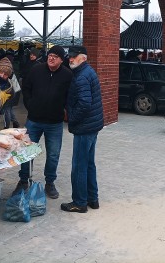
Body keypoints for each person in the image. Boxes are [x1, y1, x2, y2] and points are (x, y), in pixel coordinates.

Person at [14, 45, 73, 199]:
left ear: (61, 60)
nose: (51, 58)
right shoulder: (36, 70)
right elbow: (26, 88)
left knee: (53, 154)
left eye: (55, 56)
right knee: (26, 151)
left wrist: (65, 110)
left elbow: (70, 96)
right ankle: (23, 180)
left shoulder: (67, 75)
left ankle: (50, 183)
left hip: (54, 123)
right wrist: (30, 104)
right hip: (34, 120)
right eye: (50, 55)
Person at [61, 46, 104, 213]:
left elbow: (85, 103)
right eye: (69, 56)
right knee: (89, 164)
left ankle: (79, 202)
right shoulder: (87, 72)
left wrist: (72, 118)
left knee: (79, 166)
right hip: (92, 125)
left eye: (74, 56)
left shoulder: (81, 77)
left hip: (84, 127)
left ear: (83, 58)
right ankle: (93, 199)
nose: (70, 59)